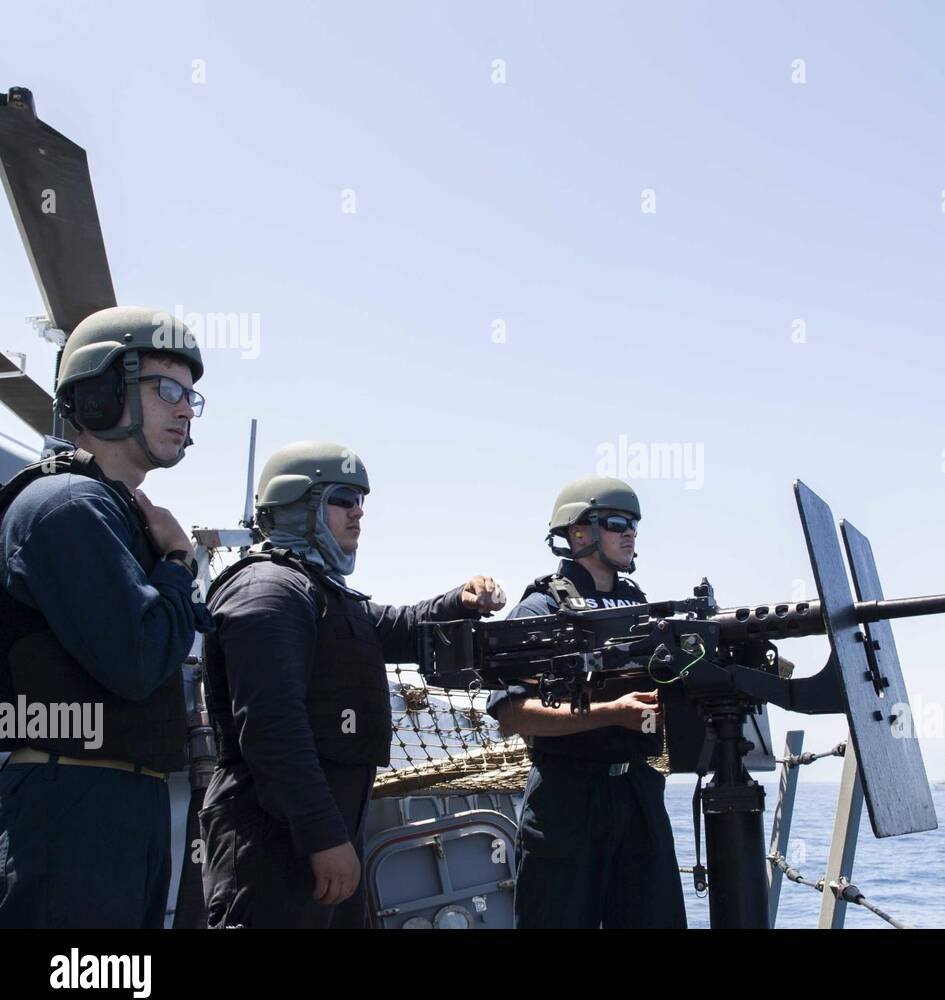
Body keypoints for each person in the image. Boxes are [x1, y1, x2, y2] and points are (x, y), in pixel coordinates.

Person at [199, 441, 506, 928]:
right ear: (299, 505)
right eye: (342, 498)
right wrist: (322, 837)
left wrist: (460, 601)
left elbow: (400, 626)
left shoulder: (325, 595)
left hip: (325, 832)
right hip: (277, 840)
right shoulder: (268, 591)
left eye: (361, 500)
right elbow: (272, 730)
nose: (359, 512)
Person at [0, 305, 211, 928]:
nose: (183, 409)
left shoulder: (111, 513)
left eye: (192, 397)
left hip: (123, 804)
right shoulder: (66, 506)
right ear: (102, 393)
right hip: (73, 811)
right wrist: (177, 560)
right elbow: (140, 658)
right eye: (167, 387)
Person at [487, 476, 687, 928]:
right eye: (617, 522)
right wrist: (612, 714)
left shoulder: (641, 607)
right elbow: (511, 714)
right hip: (567, 798)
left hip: (638, 793)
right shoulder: (538, 611)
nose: (630, 532)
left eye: (633, 523)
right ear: (579, 532)